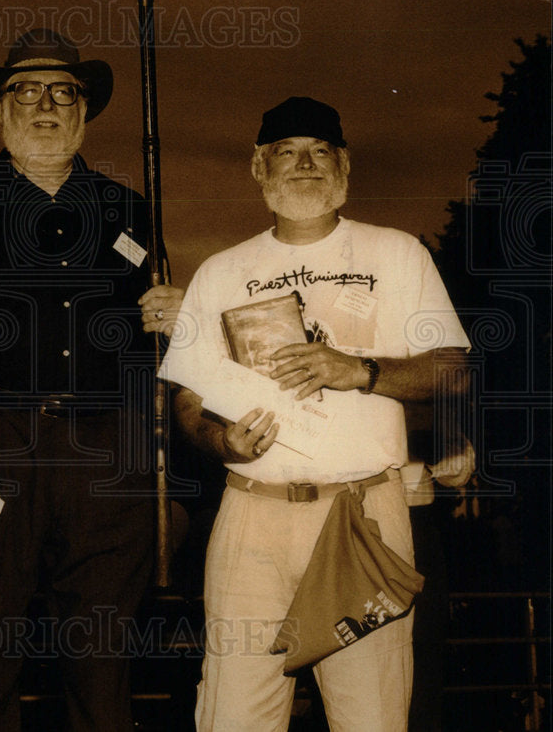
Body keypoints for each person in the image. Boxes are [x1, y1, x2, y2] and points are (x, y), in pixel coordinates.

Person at [0, 28, 182, 732]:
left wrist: (181, 319)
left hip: (109, 455)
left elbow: (169, 350)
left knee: (103, 661)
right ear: (1, 108)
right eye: (26, 90)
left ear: (85, 110)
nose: (44, 105)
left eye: (63, 92)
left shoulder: (130, 210)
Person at [158, 96, 470, 731]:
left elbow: (454, 372)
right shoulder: (220, 271)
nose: (304, 165)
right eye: (286, 153)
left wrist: (361, 371)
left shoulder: (397, 254)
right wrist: (223, 440)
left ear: (344, 166)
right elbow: (187, 403)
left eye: (319, 152)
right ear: (258, 167)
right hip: (251, 512)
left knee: (372, 716)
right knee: (231, 715)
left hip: (362, 517)